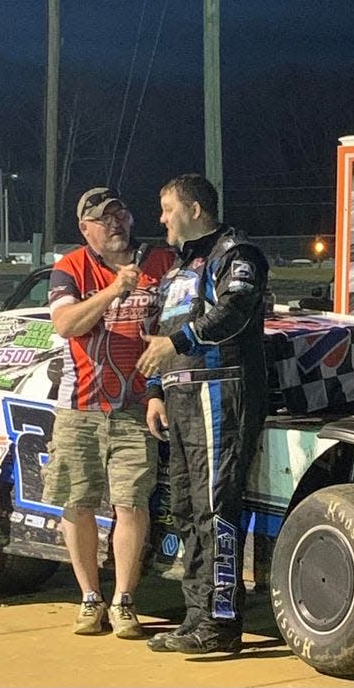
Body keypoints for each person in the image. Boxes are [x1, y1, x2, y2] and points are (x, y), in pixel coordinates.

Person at [136, 173, 269, 655]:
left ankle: (223, 622)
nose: (161, 219)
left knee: (217, 509)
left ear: (193, 209)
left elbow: (234, 311)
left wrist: (178, 342)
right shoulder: (178, 267)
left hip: (222, 393)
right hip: (179, 399)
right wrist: (154, 390)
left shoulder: (237, 253)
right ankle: (197, 618)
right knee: (189, 511)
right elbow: (159, 332)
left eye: (167, 208)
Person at [44, 186, 174, 639]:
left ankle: (123, 600)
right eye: (103, 218)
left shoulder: (161, 263)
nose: (115, 223)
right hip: (79, 405)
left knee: (131, 503)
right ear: (86, 229)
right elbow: (66, 324)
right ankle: (88, 597)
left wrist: (158, 390)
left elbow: (175, 326)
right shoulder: (70, 268)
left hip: (137, 406)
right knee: (77, 502)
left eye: (121, 214)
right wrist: (115, 289)